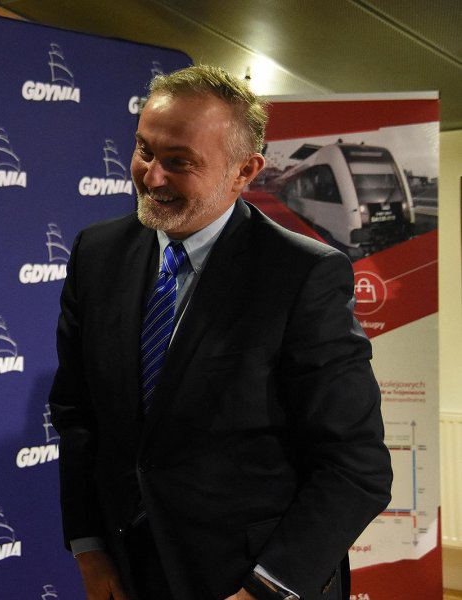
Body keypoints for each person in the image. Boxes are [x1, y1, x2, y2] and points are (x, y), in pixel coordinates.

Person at [48, 64, 392, 600]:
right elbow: (77, 415)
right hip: (131, 571)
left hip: (255, 580)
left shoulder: (302, 275)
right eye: (144, 151)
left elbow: (355, 465)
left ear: (244, 170)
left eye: (179, 162)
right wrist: (89, 546)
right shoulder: (97, 253)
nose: (152, 176)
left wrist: (266, 589)